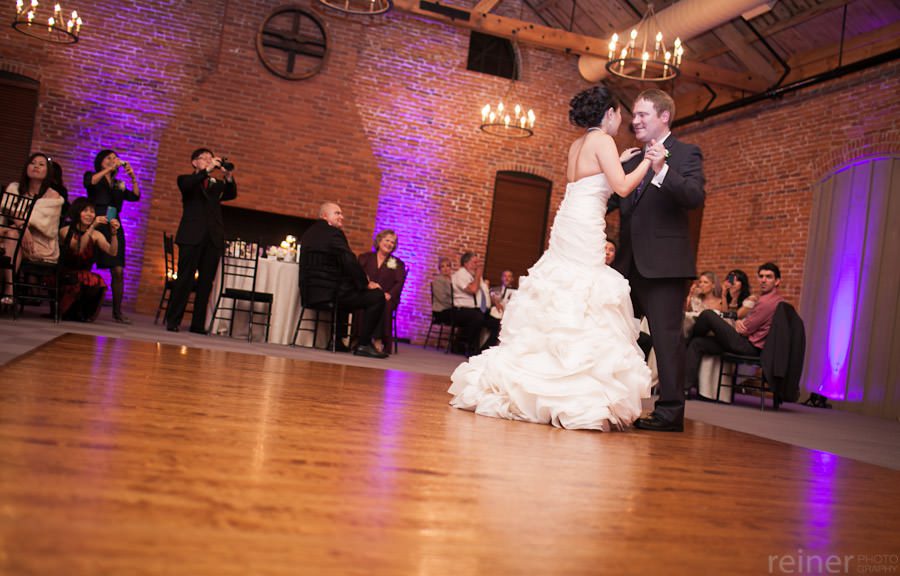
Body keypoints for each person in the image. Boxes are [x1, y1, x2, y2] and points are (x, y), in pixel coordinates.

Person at [448, 85, 657, 430]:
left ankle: (538, 372)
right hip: (586, 223)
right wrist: (647, 161)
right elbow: (620, 188)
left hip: (568, 220)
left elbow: (593, 177)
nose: (622, 120)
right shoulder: (603, 142)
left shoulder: (579, 144)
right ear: (608, 113)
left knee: (561, 287)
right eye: (620, 113)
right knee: (582, 293)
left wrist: (618, 162)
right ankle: (570, 382)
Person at [610, 88, 706, 433]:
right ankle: (617, 403)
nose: (634, 121)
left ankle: (669, 412)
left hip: (664, 266)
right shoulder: (632, 158)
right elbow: (613, 204)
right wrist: (614, 169)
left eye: (642, 115)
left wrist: (663, 169)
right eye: (633, 115)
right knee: (617, 335)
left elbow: (694, 197)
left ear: (664, 116)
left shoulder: (686, 154)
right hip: (626, 265)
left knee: (666, 341)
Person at [300, 202, 388, 359]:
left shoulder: (308, 233)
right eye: (337, 213)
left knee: (347, 289)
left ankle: (337, 340)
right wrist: (365, 283)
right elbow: (349, 260)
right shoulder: (334, 233)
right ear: (324, 216)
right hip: (331, 294)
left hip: (310, 292)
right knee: (377, 296)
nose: (342, 217)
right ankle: (363, 344)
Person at [165, 148, 237, 334]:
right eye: (203, 158)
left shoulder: (215, 184)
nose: (207, 161)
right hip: (191, 236)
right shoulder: (185, 180)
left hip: (212, 237)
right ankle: (173, 320)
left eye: (209, 158)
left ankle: (197, 324)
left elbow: (231, 194)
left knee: (206, 283)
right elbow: (189, 185)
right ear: (194, 163)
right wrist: (207, 170)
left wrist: (228, 176)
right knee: (185, 280)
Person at [685, 263, 785, 395]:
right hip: (747, 343)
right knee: (697, 343)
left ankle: (684, 341)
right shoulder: (772, 299)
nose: (763, 280)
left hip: (748, 346)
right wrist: (737, 319)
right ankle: (684, 388)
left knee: (708, 315)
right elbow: (740, 321)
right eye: (761, 276)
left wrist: (738, 321)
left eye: (769, 277)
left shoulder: (767, 302)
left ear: (777, 281)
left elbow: (744, 329)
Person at [84, 150, 140, 323]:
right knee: (87, 261)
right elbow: (90, 183)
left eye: (115, 158)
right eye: (109, 158)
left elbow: (136, 196)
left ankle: (117, 312)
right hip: (96, 220)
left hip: (114, 223)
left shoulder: (118, 184)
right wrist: (108, 170)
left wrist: (132, 177)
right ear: (101, 162)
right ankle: (80, 306)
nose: (113, 160)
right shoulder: (93, 175)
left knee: (118, 269)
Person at [1, 153, 64, 305]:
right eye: (33, 163)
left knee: (13, 234)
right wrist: (23, 227)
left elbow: (46, 227)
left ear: (47, 171)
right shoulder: (14, 188)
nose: (36, 166)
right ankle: (9, 290)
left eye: (41, 164)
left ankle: (8, 289)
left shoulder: (54, 198)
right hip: (11, 237)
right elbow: (4, 209)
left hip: (40, 244)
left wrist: (20, 223)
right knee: (13, 234)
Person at [57, 198, 120, 322]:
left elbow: (112, 252)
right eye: (85, 210)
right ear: (77, 212)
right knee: (83, 278)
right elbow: (78, 249)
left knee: (97, 281)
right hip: (65, 272)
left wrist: (114, 234)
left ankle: (82, 313)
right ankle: (66, 310)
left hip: (84, 274)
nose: (89, 214)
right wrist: (92, 227)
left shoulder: (96, 234)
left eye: (92, 211)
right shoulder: (65, 231)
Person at [358, 229, 407, 354]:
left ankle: (378, 339)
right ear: (379, 241)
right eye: (387, 240)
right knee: (362, 302)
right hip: (366, 293)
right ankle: (360, 338)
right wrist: (367, 284)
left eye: (393, 242)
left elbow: (399, 282)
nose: (390, 244)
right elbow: (358, 275)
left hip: (387, 297)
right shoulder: (365, 257)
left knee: (383, 303)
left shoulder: (398, 263)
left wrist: (390, 294)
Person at [450, 252, 496, 356]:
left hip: (476, 309)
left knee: (496, 323)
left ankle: (483, 351)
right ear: (466, 263)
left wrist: (494, 301)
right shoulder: (461, 274)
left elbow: (486, 291)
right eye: (475, 262)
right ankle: (468, 347)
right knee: (478, 318)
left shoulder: (473, 276)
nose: (477, 265)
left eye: (478, 263)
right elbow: (473, 289)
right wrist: (478, 275)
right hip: (461, 310)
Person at [431, 257, 454, 324]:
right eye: (442, 266)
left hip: (450, 309)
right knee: (465, 315)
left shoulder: (452, 280)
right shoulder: (438, 281)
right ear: (439, 269)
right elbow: (442, 299)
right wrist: (455, 304)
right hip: (441, 311)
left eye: (448, 266)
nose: (446, 268)